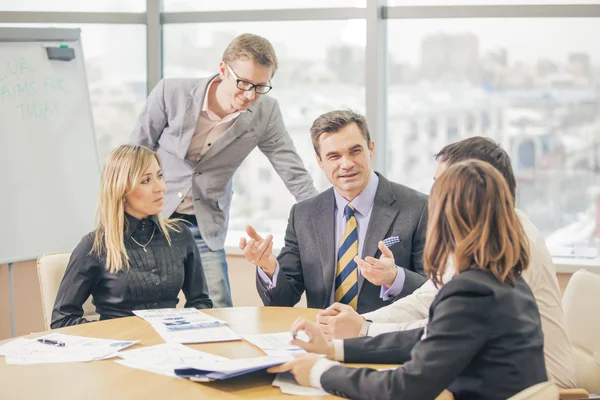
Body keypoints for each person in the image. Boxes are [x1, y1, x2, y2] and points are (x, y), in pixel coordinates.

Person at [268, 159, 548, 400]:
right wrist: (332, 348)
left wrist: (319, 372)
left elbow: (405, 388)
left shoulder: (471, 292)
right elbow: (422, 339)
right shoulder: (506, 280)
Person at [315, 136, 576, 388]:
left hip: (533, 383)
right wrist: (360, 322)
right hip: (492, 368)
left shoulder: (511, 248)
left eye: (443, 186)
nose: (433, 197)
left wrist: (363, 330)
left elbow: (441, 330)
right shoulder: (477, 236)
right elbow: (425, 302)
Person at [130, 33, 317, 308]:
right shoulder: (172, 93)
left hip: (203, 222)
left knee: (218, 308)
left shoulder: (265, 112)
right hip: (150, 215)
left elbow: (292, 171)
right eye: (243, 83)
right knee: (139, 303)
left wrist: (324, 216)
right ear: (222, 70)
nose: (249, 95)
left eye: (260, 87)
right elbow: (133, 155)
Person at [240, 110, 428, 314]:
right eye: (334, 156)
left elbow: (436, 292)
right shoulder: (303, 215)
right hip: (324, 338)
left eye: (355, 151)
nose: (346, 164)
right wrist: (269, 267)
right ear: (320, 161)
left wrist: (395, 278)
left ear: (371, 149)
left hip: (384, 340)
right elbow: (283, 300)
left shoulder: (418, 208)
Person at [51, 145, 212, 328]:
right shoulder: (94, 246)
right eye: (146, 180)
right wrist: (116, 335)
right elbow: (62, 319)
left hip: (171, 349)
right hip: (120, 351)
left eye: (160, 176)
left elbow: (201, 302)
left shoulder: (180, 235)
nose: (160, 188)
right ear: (121, 189)